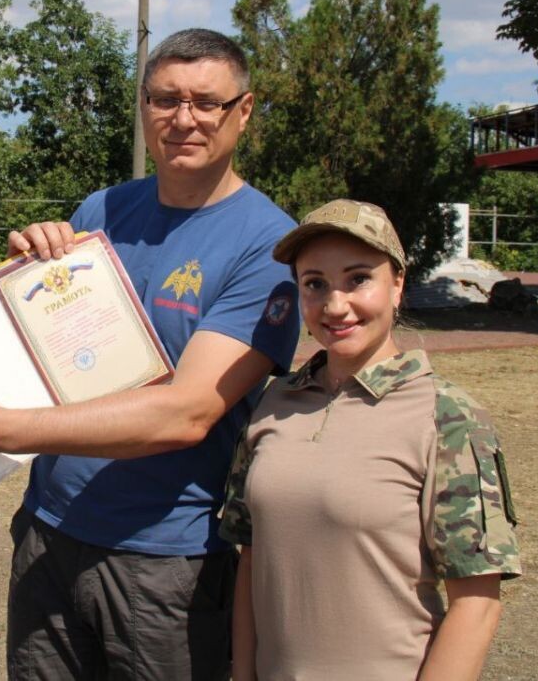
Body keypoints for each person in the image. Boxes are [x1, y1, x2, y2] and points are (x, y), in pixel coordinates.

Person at [0, 28, 300, 680]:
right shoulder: (103, 209)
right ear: (144, 106)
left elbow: (185, 413)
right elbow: (57, 347)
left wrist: (4, 428)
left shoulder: (269, 245)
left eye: (206, 102)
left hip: (166, 563)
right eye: (164, 99)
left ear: (244, 111)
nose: (183, 119)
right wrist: (25, 270)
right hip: (48, 531)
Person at [219, 199, 522, 681]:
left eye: (358, 279)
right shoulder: (275, 403)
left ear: (398, 284)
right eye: (314, 283)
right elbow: (252, 559)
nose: (336, 305)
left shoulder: (446, 417)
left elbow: (477, 603)